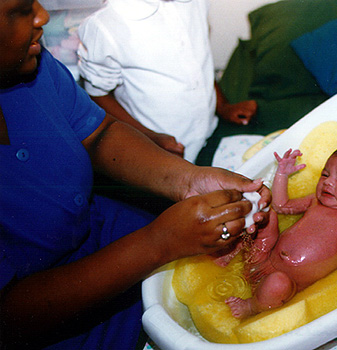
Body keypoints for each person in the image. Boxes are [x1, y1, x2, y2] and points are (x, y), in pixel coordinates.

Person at [0, 1, 270, 349]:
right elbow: (9, 315)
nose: (42, 15)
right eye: (19, 10)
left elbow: (98, 132)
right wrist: (157, 244)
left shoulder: (32, 66)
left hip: (106, 230)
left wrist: (189, 179)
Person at [224, 137, 337, 319]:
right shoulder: (314, 201)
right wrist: (282, 174)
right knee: (267, 216)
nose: (328, 182)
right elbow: (282, 205)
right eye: (325, 174)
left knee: (278, 284)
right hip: (263, 257)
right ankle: (234, 249)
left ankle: (253, 306)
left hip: (288, 283)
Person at [77, 0, 258, 163]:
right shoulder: (105, 25)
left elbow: (194, 59)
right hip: (159, 148)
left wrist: (222, 106)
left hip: (209, 131)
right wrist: (149, 138)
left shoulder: (194, 3)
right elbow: (97, 95)